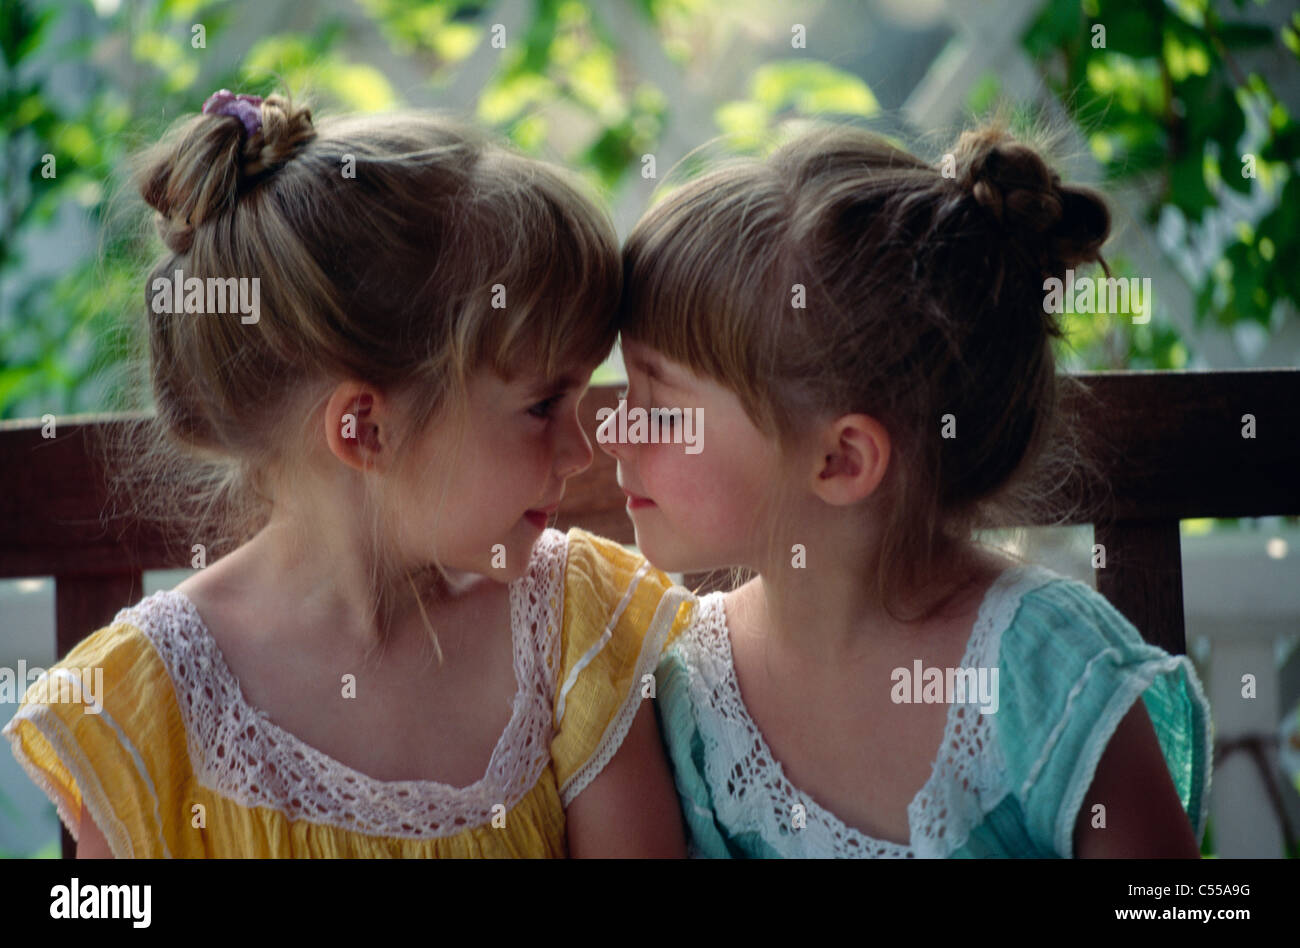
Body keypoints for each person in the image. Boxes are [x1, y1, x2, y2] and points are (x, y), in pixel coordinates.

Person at [4, 90, 690, 858]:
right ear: (365, 430)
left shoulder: (573, 632)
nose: (582, 450)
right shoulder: (145, 713)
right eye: (543, 405)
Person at [601, 122, 1211, 857]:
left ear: (842, 461)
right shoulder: (692, 696)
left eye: (659, 410)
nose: (613, 431)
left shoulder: (1040, 673)